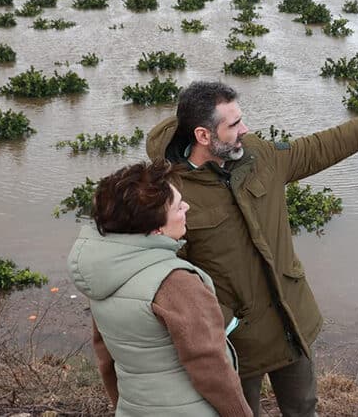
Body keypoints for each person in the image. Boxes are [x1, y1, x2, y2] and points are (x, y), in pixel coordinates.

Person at [146, 81, 358, 416]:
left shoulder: (258, 155)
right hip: (234, 340)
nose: (245, 129)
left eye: (241, 119)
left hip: (289, 321)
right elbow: (164, 271)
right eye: (234, 125)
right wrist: (224, 321)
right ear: (204, 136)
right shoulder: (171, 192)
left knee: (304, 407)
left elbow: (313, 150)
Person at [67, 159, 252, 417]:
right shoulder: (176, 282)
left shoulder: (101, 274)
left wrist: (124, 406)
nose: (186, 206)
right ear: (156, 229)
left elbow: (105, 359)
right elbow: (210, 365)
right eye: (178, 207)